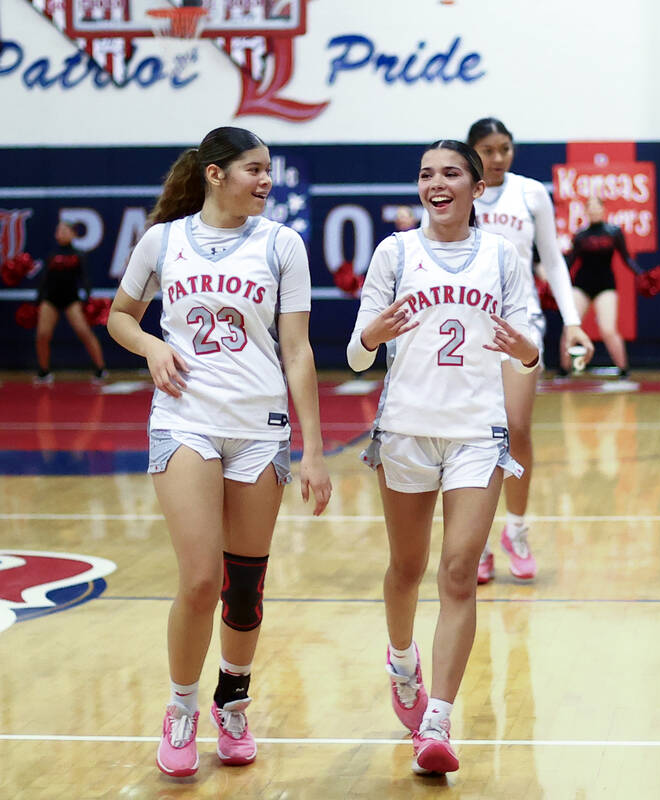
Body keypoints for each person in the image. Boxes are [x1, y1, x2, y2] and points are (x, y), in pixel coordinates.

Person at [106, 126, 332, 777]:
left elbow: (297, 351)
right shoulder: (163, 240)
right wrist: (151, 346)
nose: (266, 181)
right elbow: (121, 315)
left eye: (269, 171)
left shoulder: (282, 245)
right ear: (214, 173)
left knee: (243, 587)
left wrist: (313, 450)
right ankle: (181, 710)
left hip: (260, 430)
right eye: (254, 170)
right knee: (200, 578)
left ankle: (233, 699)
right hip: (185, 423)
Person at [348, 139, 538, 775]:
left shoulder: (502, 256)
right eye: (427, 173)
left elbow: (526, 346)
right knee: (407, 567)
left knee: (458, 571)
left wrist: (530, 350)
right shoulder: (394, 253)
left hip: (476, 433)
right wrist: (373, 335)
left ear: (475, 188)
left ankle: (438, 723)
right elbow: (354, 353)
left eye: (451, 173)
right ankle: (403, 661)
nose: (437, 182)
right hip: (404, 430)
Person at [467, 117, 594, 583]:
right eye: (488, 149)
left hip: (521, 323)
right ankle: (476, 541)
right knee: (476, 436)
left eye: (504, 148)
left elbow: (553, 261)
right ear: (471, 151)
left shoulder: (531, 193)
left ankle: (515, 530)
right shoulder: (458, 189)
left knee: (516, 428)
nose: (497, 157)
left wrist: (573, 323)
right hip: (469, 327)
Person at [561, 197, 644, 377]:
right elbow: (570, 262)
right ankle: (564, 369)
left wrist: (641, 275)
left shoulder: (614, 232)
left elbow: (626, 258)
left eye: (596, 207)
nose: (593, 210)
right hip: (581, 285)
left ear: (603, 209)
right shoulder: (580, 235)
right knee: (570, 327)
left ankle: (623, 369)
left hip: (605, 285)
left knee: (608, 329)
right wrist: (554, 277)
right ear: (586, 211)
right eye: (589, 207)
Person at [34, 221, 108, 384]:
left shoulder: (78, 255)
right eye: (59, 230)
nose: (62, 232)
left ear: (73, 234)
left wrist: (88, 297)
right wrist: (38, 298)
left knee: (84, 332)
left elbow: (85, 278)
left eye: (65, 230)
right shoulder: (52, 255)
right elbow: (44, 278)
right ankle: (43, 371)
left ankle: (100, 368)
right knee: (42, 334)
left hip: (71, 300)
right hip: (50, 299)